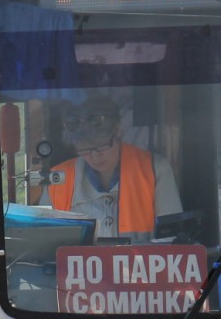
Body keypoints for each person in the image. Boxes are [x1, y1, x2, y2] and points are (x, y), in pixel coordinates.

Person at [46, 94, 182, 239]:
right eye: (85, 150)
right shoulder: (57, 179)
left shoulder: (155, 169)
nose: (95, 156)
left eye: (102, 146)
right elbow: (46, 240)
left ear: (117, 130)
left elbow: (171, 240)